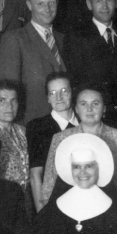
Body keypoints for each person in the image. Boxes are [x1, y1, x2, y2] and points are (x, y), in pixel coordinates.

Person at [40, 86, 117, 215]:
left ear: (104, 108)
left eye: (95, 104)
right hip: (69, 211)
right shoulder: (61, 138)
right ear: (76, 109)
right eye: (83, 104)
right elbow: (48, 186)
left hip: (109, 212)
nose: (89, 109)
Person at [0, 0, 67, 124]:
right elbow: (7, 91)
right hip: (30, 124)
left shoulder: (64, 39)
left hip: (63, 123)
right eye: (40, 4)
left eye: (51, 3)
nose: (47, 9)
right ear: (29, 5)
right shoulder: (15, 38)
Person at [60, 0, 117, 127]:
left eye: (109, 0)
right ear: (89, 4)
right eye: (98, 1)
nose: (104, 6)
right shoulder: (76, 37)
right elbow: (75, 80)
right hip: (92, 117)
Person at [26, 72, 78, 210]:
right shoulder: (37, 127)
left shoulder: (85, 122)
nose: (59, 97)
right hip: (53, 203)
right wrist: (41, 212)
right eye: (53, 93)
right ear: (48, 98)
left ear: (72, 93)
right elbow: (35, 174)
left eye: (64, 91)